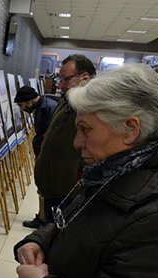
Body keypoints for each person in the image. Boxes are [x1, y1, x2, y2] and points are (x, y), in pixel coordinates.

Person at [8, 64, 158, 278]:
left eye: (86, 129)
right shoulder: (117, 173)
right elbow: (83, 223)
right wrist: (40, 240)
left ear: (130, 129)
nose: (77, 142)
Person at [30, 54, 96, 227]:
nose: (60, 85)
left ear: (85, 78)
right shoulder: (65, 101)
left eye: (65, 79)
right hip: (53, 188)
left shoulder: (93, 109)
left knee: (61, 240)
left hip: (70, 192)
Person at [13, 86, 58, 228]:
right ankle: (42, 217)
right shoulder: (42, 107)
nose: (22, 109)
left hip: (49, 156)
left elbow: (51, 135)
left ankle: (45, 220)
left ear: (29, 100)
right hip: (44, 154)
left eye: (22, 105)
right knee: (42, 187)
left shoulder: (48, 108)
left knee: (46, 187)